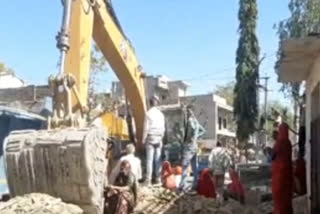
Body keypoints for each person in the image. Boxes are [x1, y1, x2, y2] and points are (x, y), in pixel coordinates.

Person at [179, 105, 205, 191]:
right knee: (194, 167)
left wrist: (190, 137)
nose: (187, 112)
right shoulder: (196, 121)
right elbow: (203, 130)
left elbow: (192, 130)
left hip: (189, 145)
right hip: (194, 146)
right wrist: (196, 137)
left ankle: (183, 185)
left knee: (185, 165)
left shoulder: (190, 121)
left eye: (187, 111)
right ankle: (195, 184)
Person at [143, 95, 165, 186]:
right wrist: (161, 137)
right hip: (159, 138)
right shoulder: (161, 114)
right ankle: (158, 179)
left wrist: (143, 139)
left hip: (151, 137)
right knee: (158, 160)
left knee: (149, 160)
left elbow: (145, 128)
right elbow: (164, 128)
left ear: (149, 103)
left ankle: (148, 180)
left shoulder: (148, 114)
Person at [272, 122, 293, 214]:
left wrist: (269, 150)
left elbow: (273, 156)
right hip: (288, 172)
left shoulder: (279, 142)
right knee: (287, 195)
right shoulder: (289, 142)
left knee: (279, 195)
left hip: (279, 173)